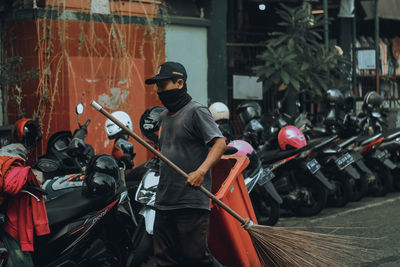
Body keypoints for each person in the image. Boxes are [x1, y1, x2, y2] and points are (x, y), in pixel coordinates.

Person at [145, 62, 227, 267]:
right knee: (164, 260)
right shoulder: (164, 116)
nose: (159, 91)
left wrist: (201, 171)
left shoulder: (196, 111)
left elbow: (219, 143)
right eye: (158, 87)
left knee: (195, 258)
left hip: (190, 201)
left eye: (163, 86)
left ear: (179, 82)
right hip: (165, 201)